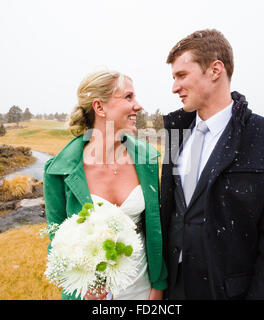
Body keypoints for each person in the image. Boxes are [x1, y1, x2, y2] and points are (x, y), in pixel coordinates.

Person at [160, 29, 264, 300]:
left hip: (226, 292)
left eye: (181, 75)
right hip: (173, 288)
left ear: (215, 70)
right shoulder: (175, 133)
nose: (174, 87)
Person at [43, 70, 167, 300]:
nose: (138, 106)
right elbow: (56, 242)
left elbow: (156, 227)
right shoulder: (57, 170)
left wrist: (158, 287)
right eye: (128, 97)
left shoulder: (148, 158)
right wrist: (83, 292)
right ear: (100, 107)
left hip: (144, 292)